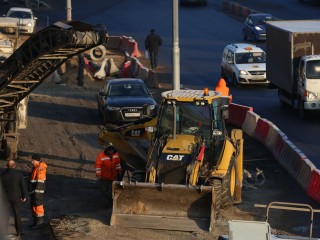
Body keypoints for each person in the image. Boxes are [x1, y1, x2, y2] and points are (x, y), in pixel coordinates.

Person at [0, 160, 28, 237]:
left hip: (5, 198)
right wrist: (24, 196)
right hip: (16, 198)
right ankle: (19, 232)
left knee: (5, 216)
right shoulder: (19, 174)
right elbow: (23, 186)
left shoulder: (2, 175)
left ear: (7, 166)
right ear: (14, 166)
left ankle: (3, 232)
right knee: (17, 214)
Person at [29, 154, 47, 229]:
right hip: (35, 192)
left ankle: (39, 223)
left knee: (38, 207)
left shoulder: (40, 169)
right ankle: (36, 222)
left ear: (37, 160)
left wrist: (36, 192)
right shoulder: (36, 168)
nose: (32, 161)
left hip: (37, 193)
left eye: (33, 160)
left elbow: (40, 182)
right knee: (34, 207)